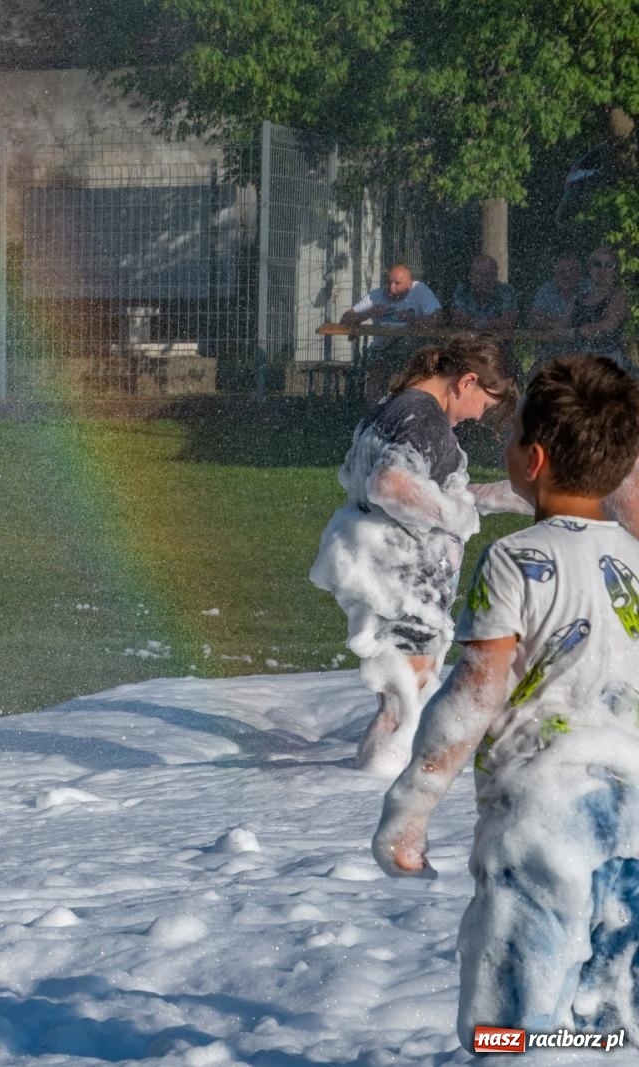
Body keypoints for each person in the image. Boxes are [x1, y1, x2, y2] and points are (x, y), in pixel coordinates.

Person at [373, 356, 639, 1044]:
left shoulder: (516, 559)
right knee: (615, 1011)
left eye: (511, 432)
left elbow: (472, 695)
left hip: (541, 822)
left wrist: (410, 809)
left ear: (536, 459)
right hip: (631, 821)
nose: (502, 442)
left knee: (514, 1019)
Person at [310, 334, 525, 778]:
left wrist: (512, 497)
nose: (477, 416)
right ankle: (366, 795)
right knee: (403, 700)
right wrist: (457, 518)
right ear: (467, 381)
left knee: (403, 695)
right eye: (484, 404)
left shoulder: (396, 408)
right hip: (403, 578)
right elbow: (390, 484)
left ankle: (372, 782)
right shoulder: (423, 417)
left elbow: (422, 487)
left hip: (383, 571)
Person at [340, 264, 444, 402]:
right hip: (382, 350)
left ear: (409, 284)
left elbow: (438, 318)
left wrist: (414, 319)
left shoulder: (419, 290)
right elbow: (345, 319)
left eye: (397, 283)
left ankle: (410, 408)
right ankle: (374, 413)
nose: (391, 288)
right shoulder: (376, 296)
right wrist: (368, 313)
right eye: (388, 282)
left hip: (413, 351)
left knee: (418, 372)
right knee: (376, 369)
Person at [569, 246, 631, 365]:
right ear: (590, 268)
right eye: (597, 264)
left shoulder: (618, 296)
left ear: (615, 270)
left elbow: (608, 325)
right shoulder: (579, 297)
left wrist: (575, 332)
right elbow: (562, 325)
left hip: (608, 359)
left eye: (609, 265)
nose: (602, 269)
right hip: (578, 358)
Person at [526, 253, 589, 364]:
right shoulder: (546, 290)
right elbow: (534, 320)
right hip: (551, 351)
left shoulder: (588, 287)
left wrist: (550, 321)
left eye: (572, 270)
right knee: (534, 376)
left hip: (585, 350)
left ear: (579, 273)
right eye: (562, 272)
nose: (567, 275)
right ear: (555, 273)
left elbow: (592, 322)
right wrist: (561, 327)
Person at [449, 254, 518, 334]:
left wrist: (473, 323)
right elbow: (458, 319)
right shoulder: (462, 290)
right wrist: (493, 323)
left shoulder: (506, 290)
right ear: (470, 276)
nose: (485, 279)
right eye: (480, 274)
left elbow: (508, 322)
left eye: (490, 274)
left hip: (499, 343)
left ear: (496, 275)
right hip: (467, 342)